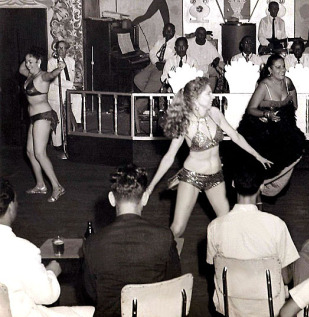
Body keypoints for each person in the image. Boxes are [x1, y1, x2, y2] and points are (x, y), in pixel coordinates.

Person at [146, 77, 272, 238]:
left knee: (226, 222)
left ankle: (226, 260)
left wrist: (257, 155)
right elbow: (169, 157)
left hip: (216, 177)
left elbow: (235, 136)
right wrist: (151, 187)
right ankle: (164, 260)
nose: (212, 96)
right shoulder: (185, 122)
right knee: (177, 228)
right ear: (196, 99)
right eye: (208, 93)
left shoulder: (215, 113)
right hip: (192, 177)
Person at [83, 164, 181, 317]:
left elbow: (91, 292)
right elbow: (173, 284)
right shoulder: (164, 237)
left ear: (111, 199)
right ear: (145, 198)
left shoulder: (92, 243)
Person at [206, 161, 300, 316]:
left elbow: (214, 268)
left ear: (233, 184)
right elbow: (287, 277)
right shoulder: (276, 225)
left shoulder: (215, 227)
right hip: (269, 309)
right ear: (262, 186)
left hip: (231, 309)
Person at [0, 178, 94, 317]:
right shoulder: (23, 250)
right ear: (11, 206)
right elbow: (47, 296)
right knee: (92, 312)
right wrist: (51, 272)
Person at [236, 54, 305, 197]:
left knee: (297, 148)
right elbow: (251, 109)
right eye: (278, 67)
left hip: (285, 128)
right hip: (266, 129)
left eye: (283, 66)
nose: (282, 70)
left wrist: (290, 106)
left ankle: (268, 186)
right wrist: (266, 115)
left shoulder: (288, 82)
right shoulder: (264, 85)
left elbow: (294, 101)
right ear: (270, 70)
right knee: (266, 160)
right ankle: (258, 186)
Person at [19, 48, 66, 202]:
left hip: (43, 116)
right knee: (30, 152)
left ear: (39, 62)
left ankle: (57, 186)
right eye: (27, 61)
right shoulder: (29, 75)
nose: (27, 64)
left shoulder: (42, 76)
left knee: (39, 153)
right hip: (33, 118)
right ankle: (40, 185)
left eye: (31, 62)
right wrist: (29, 56)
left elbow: (51, 75)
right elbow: (21, 69)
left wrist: (59, 68)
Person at [47, 40, 76, 151]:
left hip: (68, 93)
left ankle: (67, 141)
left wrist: (73, 85)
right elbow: (55, 80)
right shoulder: (52, 62)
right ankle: (57, 144)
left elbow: (71, 76)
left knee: (68, 117)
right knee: (57, 119)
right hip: (56, 94)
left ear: (67, 50)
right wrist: (72, 84)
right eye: (59, 48)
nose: (60, 50)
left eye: (63, 48)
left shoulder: (71, 61)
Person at [187, 27, 225, 91]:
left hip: (206, 69)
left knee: (219, 68)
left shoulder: (209, 45)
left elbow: (218, 58)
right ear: (196, 34)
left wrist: (216, 60)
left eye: (203, 34)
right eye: (199, 34)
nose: (201, 36)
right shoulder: (189, 43)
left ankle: (211, 93)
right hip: (192, 69)